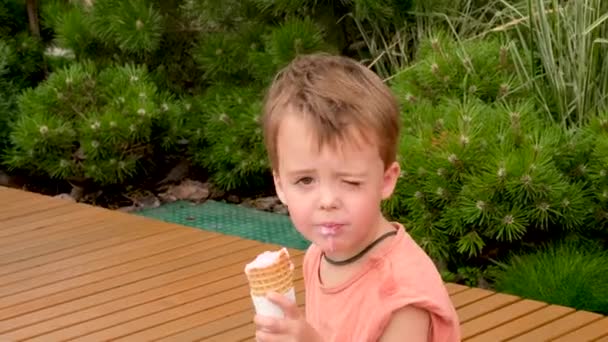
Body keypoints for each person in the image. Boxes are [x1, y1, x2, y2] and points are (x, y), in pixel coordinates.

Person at [254, 53, 460, 342]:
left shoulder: (401, 296)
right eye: (305, 180)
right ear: (280, 185)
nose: (327, 201)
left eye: (350, 181)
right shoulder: (318, 256)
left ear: (386, 181)